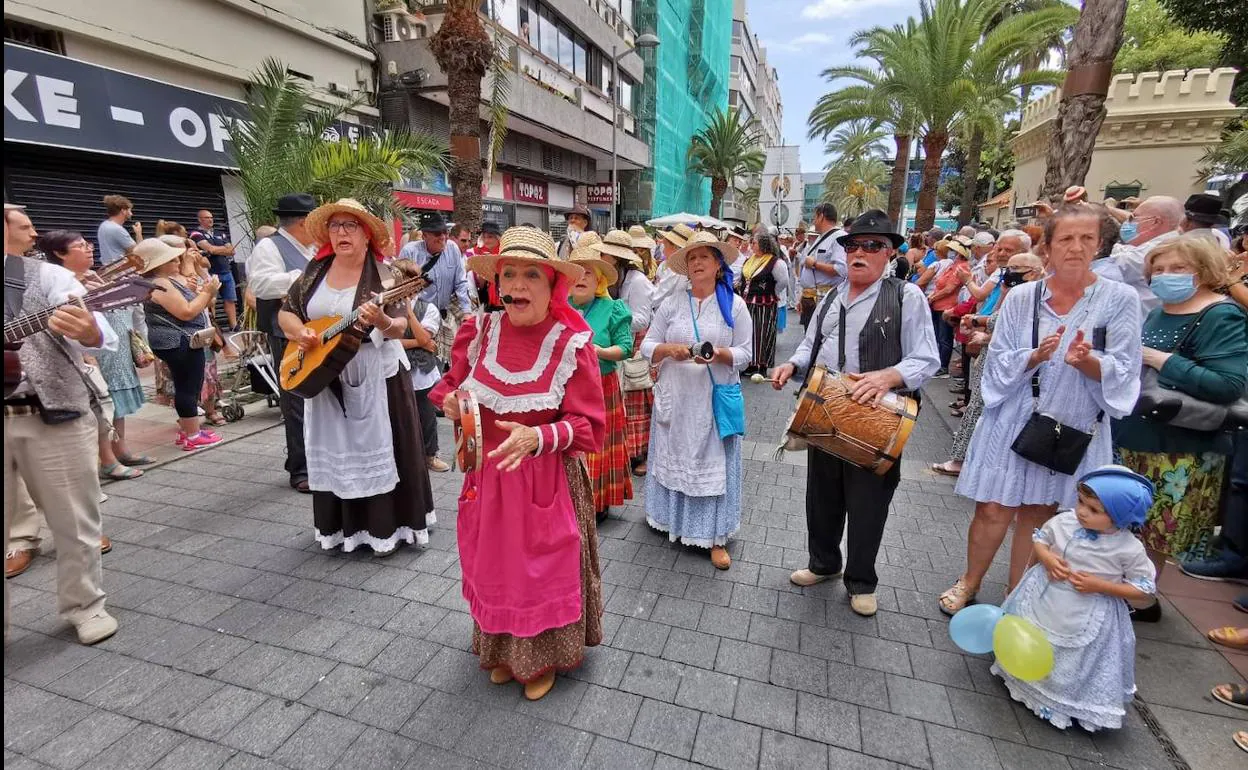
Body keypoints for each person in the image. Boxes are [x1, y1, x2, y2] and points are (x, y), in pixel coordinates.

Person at [941, 205, 1144, 614]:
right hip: (1016, 415)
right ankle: (969, 581)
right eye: (1066, 239)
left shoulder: (1119, 299)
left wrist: (1088, 362)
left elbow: (1126, 367)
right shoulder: (1022, 297)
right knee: (993, 507)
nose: (1076, 247)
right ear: (1047, 247)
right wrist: (1034, 356)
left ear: (1100, 244)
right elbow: (997, 361)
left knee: (1040, 511)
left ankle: (1018, 595)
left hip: (1074, 419)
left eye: (1087, 238)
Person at [431, 226, 606, 701]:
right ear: (497, 284)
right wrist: (451, 403)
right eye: (509, 274)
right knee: (497, 566)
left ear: (554, 287)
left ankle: (543, 658)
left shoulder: (571, 345)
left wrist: (538, 436)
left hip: (544, 481)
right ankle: (506, 654)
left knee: (539, 570)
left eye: (532, 274)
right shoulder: (479, 330)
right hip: (489, 481)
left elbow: (590, 427)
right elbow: (449, 386)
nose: (517, 285)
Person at [773, 210, 940, 616]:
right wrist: (792, 366)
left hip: (877, 417)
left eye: (872, 246)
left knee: (869, 501)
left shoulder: (906, 296)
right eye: (852, 245)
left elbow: (928, 358)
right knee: (822, 494)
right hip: (827, 410)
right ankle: (824, 563)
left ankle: (861, 580)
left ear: (889, 254)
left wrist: (887, 376)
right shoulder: (832, 295)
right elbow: (810, 343)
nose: (859, 253)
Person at [278, 199, 435, 555]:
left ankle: (389, 528)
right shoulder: (313, 273)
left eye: (351, 226)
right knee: (336, 447)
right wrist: (300, 332)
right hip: (324, 370)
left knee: (380, 446)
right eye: (335, 226)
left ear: (367, 236)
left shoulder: (386, 276)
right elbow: (287, 313)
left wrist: (380, 321)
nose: (341, 232)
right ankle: (341, 528)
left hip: (375, 373)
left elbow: (397, 328)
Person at [1113, 235, 1248, 621]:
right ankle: (1131, 594)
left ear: (1203, 272)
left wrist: (1160, 360)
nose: (1165, 276)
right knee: (1132, 525)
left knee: (1155, 530)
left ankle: (1139, 599)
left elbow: (1229, 384)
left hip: (1180, 445)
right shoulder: (1160, 311)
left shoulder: (1221, 314)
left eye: (1178, 269)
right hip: (1138, 434)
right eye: (1158, 269)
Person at [4, 203, 120, 645]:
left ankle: (86, 606)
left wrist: (89, 331)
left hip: (51, 414)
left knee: (74, 521)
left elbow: (101, 335)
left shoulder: (48, 278)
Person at [995, 466, 1157, 732]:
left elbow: (1144, 589)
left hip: (1088, 608)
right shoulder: (1064, 521)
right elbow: (1040, 539)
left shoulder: (1128, 548)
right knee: (1036, 634)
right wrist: (1047, 559)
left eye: (1094, 510)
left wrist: (1102, 585)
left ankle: (1059, 698)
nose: (1082, 511)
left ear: (1121, 515)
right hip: (1046, 596)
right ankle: (1023, 675)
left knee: (1074, 656)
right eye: (1081, 502)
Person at [643, 232, 753, 570]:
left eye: (705, 256)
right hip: (677, 399)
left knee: (712, 461)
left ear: (719, 264)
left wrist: (720, 354)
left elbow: (747, 354)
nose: (697, 263)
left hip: (712, 399)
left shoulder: (734, 305)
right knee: (675, 454)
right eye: (692, 258)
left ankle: (715, 536)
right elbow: (647, 345)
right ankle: (670, 521)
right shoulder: (674, 303)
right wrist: (667, 350)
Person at [38, 231, 150, 479]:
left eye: (88, 244)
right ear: (59, 254)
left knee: (117, 401)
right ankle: (107, 460)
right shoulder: (54, 286)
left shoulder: (93, 278)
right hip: (88, 356)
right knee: (101, 405)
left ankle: (120, 449)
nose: (89, 249)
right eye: (80, 246)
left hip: (113, 347)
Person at [933, 253, 1043, 477]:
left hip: (1012, 365)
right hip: (994, 359)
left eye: (1015, 268)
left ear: (1034, 271)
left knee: (986, 409)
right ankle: (966, 458)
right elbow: (997, 316)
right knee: (977, 407)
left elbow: (1005, 323)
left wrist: (979, 324)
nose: (1008, 273)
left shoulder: (1035, 296)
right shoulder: (1016, 291)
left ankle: (968, 460)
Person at [247, 193, 317, 491]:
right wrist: (301, 276)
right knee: (296, 398)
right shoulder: (269, 246)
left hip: (313, 329)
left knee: (314, 397)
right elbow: (261, 284)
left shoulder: (311, 246)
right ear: (303, 222)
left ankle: (311, 459)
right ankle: (300, 470)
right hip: (285, 331)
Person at [139, 238, 224, 450]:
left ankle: (189, 430)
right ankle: (193, 435)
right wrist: (207, 292)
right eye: (172, 259)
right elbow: (186, 312)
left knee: (185, 386)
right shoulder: (160, 283)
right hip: (180, 341)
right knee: (188, 387)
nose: (178, 261)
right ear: (159, 264)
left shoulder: (164, 281)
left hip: (175, 341)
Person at [569, 245, 634, 519]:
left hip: (601, 386)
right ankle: (571, 501)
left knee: (598, 446)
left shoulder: (612, 308)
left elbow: (626, 348)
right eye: (577, 273)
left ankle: (597, 502)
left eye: (588, 273)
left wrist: (599, 352)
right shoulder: (560, 307)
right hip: (568, 388)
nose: (581, 278)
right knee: (571, 445)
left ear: (599, 281)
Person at [392, 259, 451, 474]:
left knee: (426, 418)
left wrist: (408, 313)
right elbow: (390, 340)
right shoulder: (388, 307)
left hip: (422, 372)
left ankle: (430, 455)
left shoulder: (428, 308)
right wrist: (421, 343)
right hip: (396, 369)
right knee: (398, 417)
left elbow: (426, 337)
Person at [398, 212, 471, 366]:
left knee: (444, 363)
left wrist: (466, 312)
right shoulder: (410, 252)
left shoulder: (453, 249)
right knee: (421, 362)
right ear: (424, 235)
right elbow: (400, 286)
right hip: (419, 318)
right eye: (437, 233)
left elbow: (461, 283)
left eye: (445, 232)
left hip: (443, 315)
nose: (443, 236)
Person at [1112, 195, 1183, 311]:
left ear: (1155, 222)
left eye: (1133, 218)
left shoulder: (1162, 249)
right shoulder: (1163, 243)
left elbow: (1118, 263)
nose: (1128, 223)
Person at [738, 233, 789, 376]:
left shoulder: (775, 262)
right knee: (750, 332)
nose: (751, 245)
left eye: (754, 243)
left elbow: (783, 281)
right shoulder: (750, 260)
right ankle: (750, 363)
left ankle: (761, 365)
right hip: (748, 303)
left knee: (763, 333)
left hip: (764, 304)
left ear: (763, 244)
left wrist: (772, 292)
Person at [797, 203, 847, 329]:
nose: (814, 220)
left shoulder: (839, 237)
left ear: (821, 216)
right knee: (809, 337)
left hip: (824, 299)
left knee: (820, 338)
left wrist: (815, 264)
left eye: (815, 217)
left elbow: (841, 269)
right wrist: (801, 297)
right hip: (810, 298)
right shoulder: (820, 238)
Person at [926, 236, 972, 375]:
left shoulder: (961, 268)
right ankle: (938, 363)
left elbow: (949, 289)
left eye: (954, 250)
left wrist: (933, 297)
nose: (951, 252)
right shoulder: (953, 265)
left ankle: (943, 365)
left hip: (947, 306)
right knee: (939, 336)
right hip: (938, 305)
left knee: (944, 337)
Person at [189, 209, 239, 331]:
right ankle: (214, 327)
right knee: (211, 301)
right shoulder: (196, 234)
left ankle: (234, 326)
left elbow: (232, 250)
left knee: (230, 299)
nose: (210, 219)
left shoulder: (220, 233)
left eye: (211, 217)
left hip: (226, 270)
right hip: (210, 273)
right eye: (206, 217)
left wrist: (217, 250)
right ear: (200, 219)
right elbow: (210, 249)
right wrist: (222, 249)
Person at [652, 223, 695, 311]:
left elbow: (657, 297)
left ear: (675, 248)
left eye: (665, 246)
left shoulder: (676, 270)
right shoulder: (666, 264)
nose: (663, 251)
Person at [96, 195, 139, 266]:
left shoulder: (103, 225)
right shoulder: (117, 229)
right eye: (130, 210)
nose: (132, 214)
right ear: (123, 211)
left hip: (109, 270)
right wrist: (138, 233)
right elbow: (138, 253)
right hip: (121, 272)